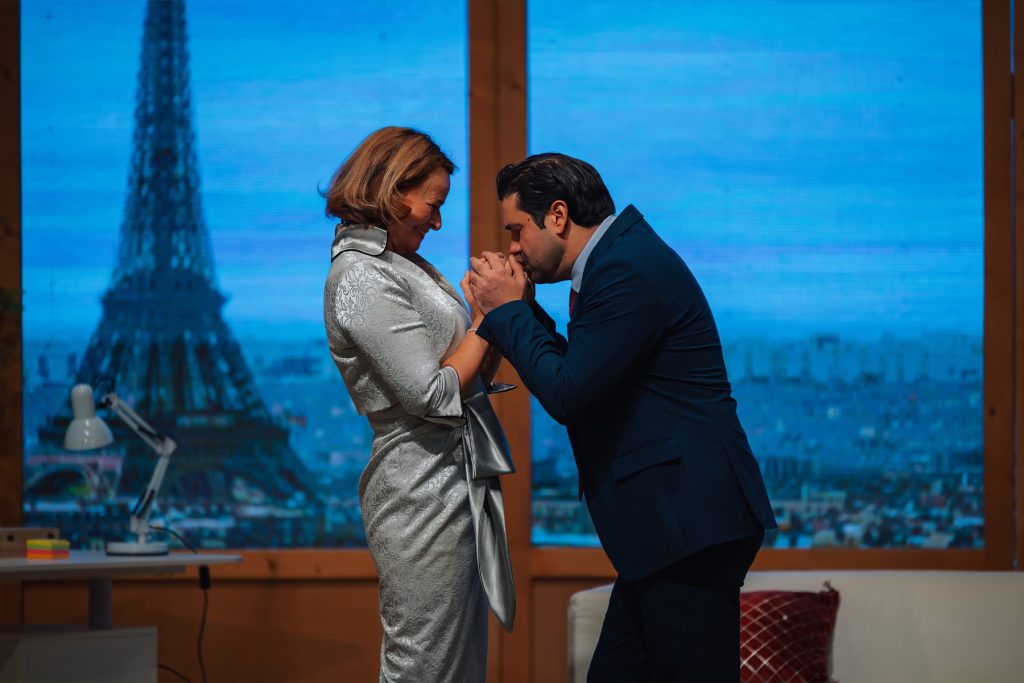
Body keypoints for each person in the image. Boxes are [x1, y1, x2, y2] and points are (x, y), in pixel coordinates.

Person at [468, 153, 778, 683]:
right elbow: (586, 372)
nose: (513, 247)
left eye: (517, 230)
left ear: (558, 216)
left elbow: (569, 393)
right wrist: (518, 308)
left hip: (687, 522)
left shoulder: (624, 268)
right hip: (672, 528)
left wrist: (506, 310)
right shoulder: (619, 259)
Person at [322, 127, 515, 683]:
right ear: (392, 190)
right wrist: (487, 319)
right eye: (434, 205)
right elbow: (432, 395)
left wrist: (497, 318)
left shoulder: (400, 264)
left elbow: (465, 381)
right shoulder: (361, 274)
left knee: (454, 662)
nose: (437, 222)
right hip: (419, 489)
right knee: (424, 662)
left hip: (448, 480)